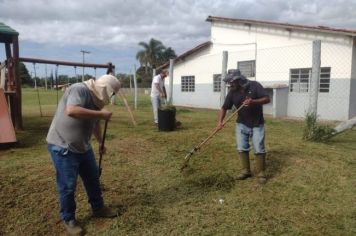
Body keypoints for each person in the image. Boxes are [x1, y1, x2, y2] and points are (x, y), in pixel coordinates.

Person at [46, 74, 121, 235]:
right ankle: (69, 218)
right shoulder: (79, 89)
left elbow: (95, 123)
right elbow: (72, 110)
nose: (112, 96)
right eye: (113, 93)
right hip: (62, 146)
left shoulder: (97, 100)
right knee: (68, 186)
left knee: (93, 178)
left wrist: (100, 142)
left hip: (83, 147)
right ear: (106, 89)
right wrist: (101, 114)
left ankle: (98, 207)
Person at [217, 69, 270, 184]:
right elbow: (224, 107)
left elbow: (267, 99)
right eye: (229, 82)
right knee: (241, 147)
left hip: (257, 123)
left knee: (259, 147)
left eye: (231, 82)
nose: (230, 84)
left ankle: (261, 173)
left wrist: (253, 102)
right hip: (241, 123)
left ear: (239, 80)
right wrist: (220, 122)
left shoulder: (255, 86)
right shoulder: (232, 92)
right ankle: (246, 171)